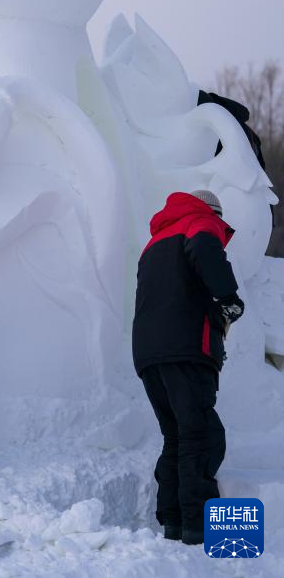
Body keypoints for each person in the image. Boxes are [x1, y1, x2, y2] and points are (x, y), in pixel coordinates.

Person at [132, 189, 244, 546]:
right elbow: (205, 250)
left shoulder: (154, 244)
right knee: (203, 435)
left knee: (177, 436)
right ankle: (201, 526)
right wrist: (229, 298)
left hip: (149, 353)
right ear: (213, 213)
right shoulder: (199, 222)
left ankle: (175, 523)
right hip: (185, 347)